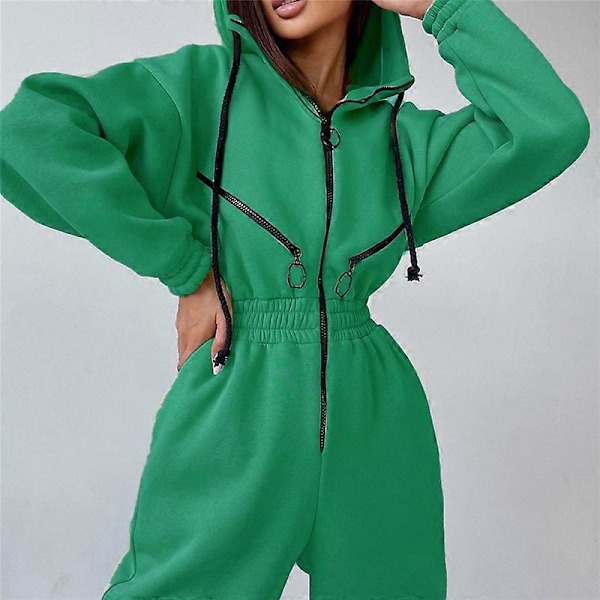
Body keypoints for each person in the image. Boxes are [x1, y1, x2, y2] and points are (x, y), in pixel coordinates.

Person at [0, 0, 590, 597]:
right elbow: (30, 130)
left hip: (377, 417)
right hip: (238, 401)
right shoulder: (196, 92)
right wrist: (187, 270)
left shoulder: (404, 141)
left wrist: (441, 7)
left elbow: (548, 127)